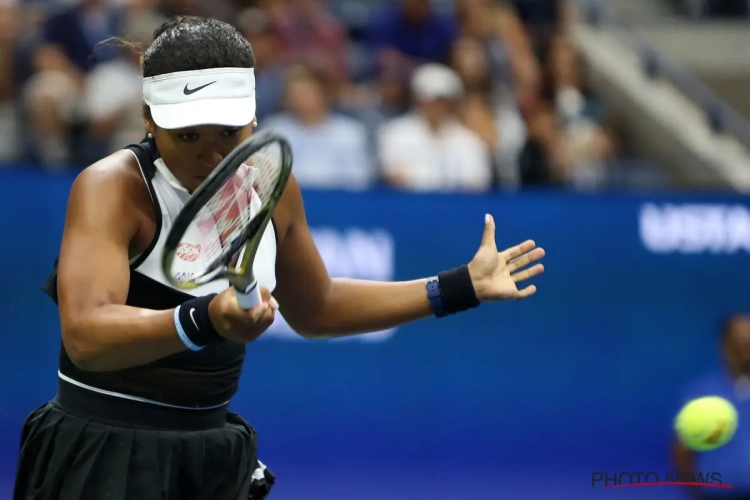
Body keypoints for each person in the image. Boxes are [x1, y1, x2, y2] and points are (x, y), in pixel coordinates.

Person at [13, 15, 545, 500]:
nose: (213, 152)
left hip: (210, 459)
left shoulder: (273, 186)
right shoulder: (111, 187)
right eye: (188, 135)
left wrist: (459, 286)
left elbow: (317, 308)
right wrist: (205, 317)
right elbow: (85, 335)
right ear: (150, 118)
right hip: (105, 459)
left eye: (229, 131)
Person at [672, 315, 750, 500]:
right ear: (724, 346)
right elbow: (682, 452)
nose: (746, 351)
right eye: (740, 344)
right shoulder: (700, 393)